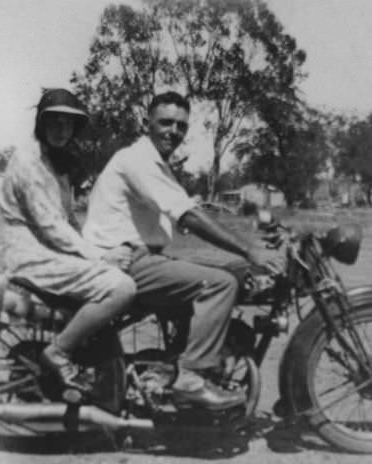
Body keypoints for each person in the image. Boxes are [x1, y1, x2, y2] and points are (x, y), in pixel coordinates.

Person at [82, 91, 285, 410]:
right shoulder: (138, 160)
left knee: (231, 271)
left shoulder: (156, 164)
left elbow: (188, 212)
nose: (173, 131)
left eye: (180, 126)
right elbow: (188, 215)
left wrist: (252, 242)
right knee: (220, 284)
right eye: (165, 122)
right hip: (122, 260)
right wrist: (250, 251)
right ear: (147, 123)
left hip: (142, 257)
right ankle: (191, 378)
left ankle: (189, 356)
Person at [0, 88, 137, 392]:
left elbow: (69, 221)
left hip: (51, 251)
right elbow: (50, 226)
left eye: (68, 124)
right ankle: (58, 352)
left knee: (122, 270)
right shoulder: (28, 161)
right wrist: (100, 257)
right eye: (55, 122)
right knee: (122, 288)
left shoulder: (56, 163)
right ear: (41, 123)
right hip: (31, 254)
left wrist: (102, 249)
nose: (62, 130)